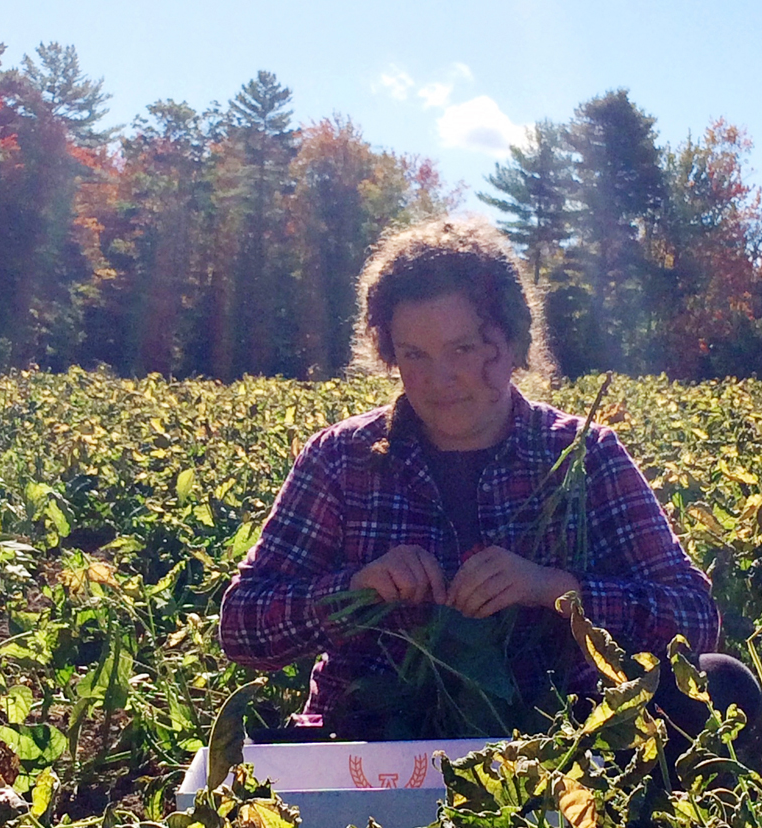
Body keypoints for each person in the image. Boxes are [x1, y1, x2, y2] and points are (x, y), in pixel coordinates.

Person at [220, 217, 760, 749]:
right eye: (414, 355)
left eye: (463, 350)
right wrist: (355, 589)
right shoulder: (343, 458)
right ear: (389, 355)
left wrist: (556, 591)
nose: (439, 379)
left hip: (558, 736)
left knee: (722, 681)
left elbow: (694, 617)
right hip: (373, 739)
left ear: (512, 343)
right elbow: (242, 626)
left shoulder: (582, 455)